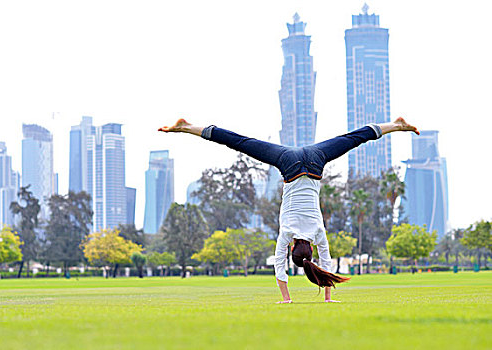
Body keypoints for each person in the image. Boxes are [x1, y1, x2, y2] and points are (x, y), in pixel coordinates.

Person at [159, 117, 419, 303]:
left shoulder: (318, 233)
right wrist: (286, 298)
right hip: (289, 163)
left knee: (352, 139)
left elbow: (326, 264)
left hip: (315, 160)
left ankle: (395, 126)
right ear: (293, 248)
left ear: (308, 251)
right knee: (240, 142)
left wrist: (328, 296)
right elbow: (279, 269)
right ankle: (187, 127)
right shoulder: (286, 233)